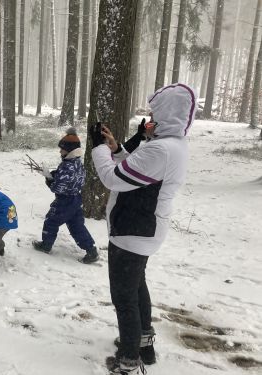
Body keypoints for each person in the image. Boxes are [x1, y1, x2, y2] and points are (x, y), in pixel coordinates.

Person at [90, 83, 197, 375]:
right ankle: (144, 345)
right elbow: (137, 171)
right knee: (137, 288)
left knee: (124, 297)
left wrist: (98, 148)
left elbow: (113, 179)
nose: (150, 118)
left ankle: (128, 360)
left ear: (166, 114)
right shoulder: (173, 145)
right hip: (144, 228)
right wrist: (117, 148)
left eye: (154, 112)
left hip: (134, 230)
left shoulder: (162, 148)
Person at [32, 127, 99, 264]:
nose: (60, 151)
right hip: (76, 200)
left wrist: (49, 179)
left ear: (69, 150)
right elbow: (70, 178)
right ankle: (91, 250)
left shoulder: (67, 166)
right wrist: (55, 174)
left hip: (65, 201)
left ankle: (46, 245)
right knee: (77, 226)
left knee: (51, 221)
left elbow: (58, 187)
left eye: (62, 149)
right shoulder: (76, 163)